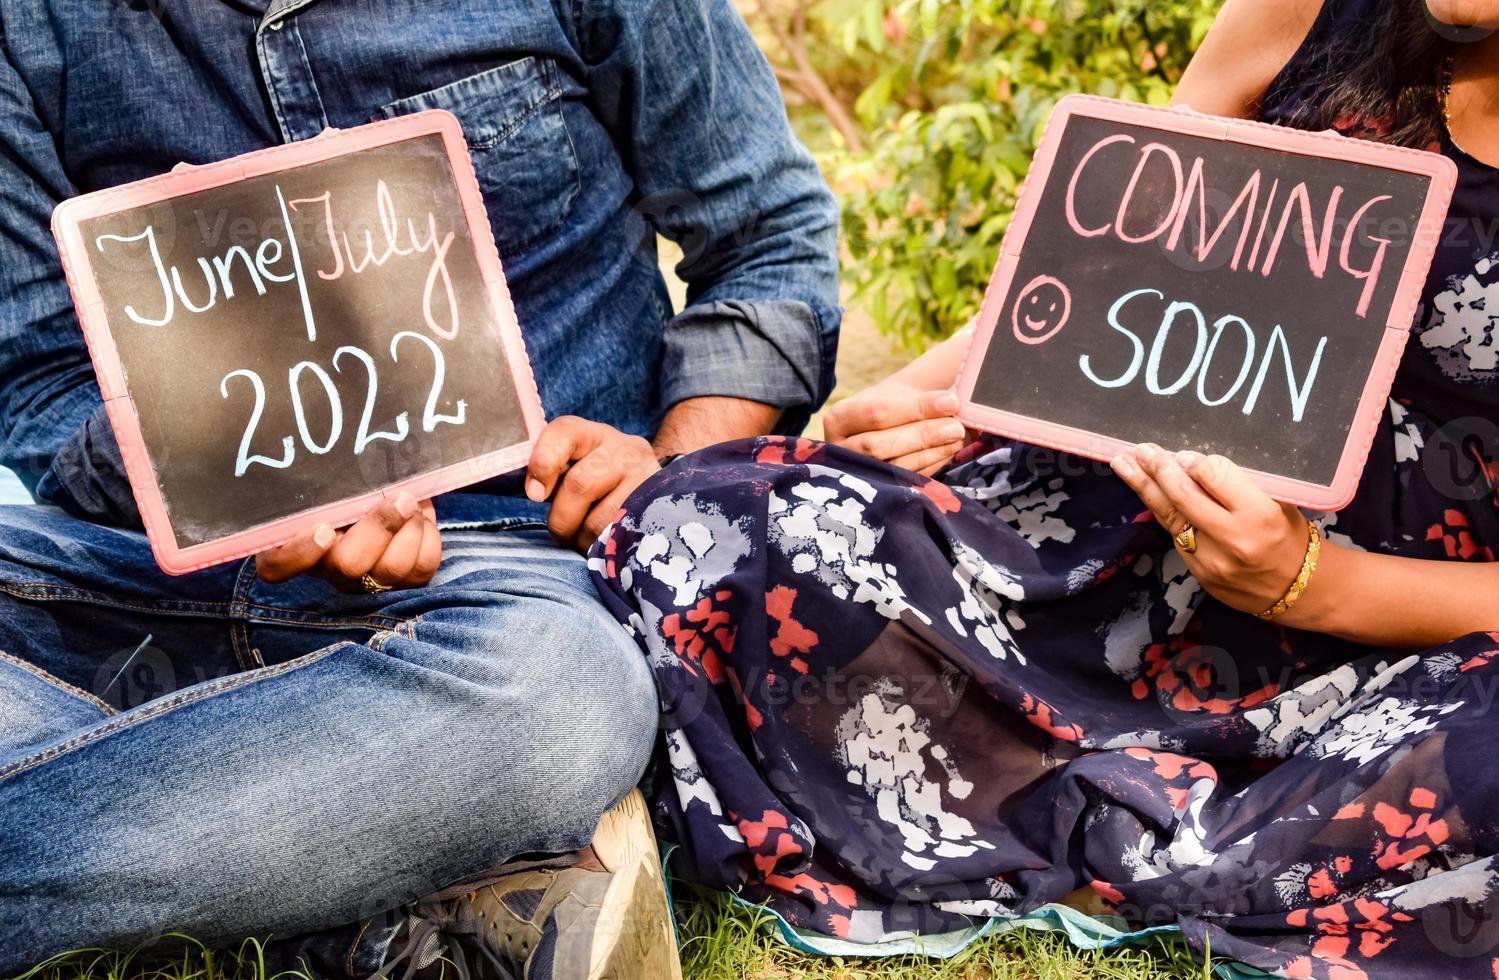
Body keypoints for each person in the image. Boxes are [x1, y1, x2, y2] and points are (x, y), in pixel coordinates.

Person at [589, 1, 1499, 977]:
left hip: (1416, 643)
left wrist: (1313, 582)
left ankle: (1126, 829)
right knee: (704, 521)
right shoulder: (1305, 12)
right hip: (1118, 565)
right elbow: (1110, 274)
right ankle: (1105, 801)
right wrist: (908, 405)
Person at [0, 0, 840, 976]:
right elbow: (37, 383)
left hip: (522, 571)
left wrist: (659, 472)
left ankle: (296, 827)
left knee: (562, 694)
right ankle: (413, 874)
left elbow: (767, 235)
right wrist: (199, 412)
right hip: (164, 574)